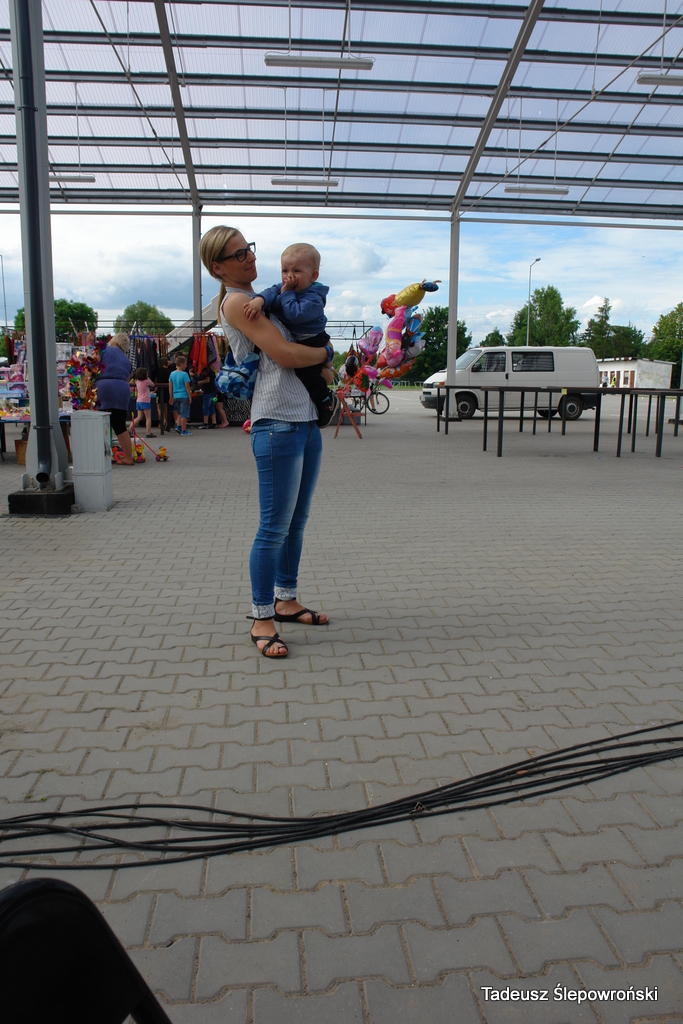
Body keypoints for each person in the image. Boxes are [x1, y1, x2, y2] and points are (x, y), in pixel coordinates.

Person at [200, 226, 334, 658]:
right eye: (239, 254)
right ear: (217, 267)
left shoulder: (263, 297)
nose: (251, 258)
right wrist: (327, 354)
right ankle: (262, 617)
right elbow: (287, 355)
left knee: (296, 521)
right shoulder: (236, 302)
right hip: (276, 421)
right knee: (274, 526)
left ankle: (286, 599)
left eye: (250, 249)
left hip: (303, 419)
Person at [243, 243, 338, 427]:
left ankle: (325, 400)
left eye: (297, 271)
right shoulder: (285, 287)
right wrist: (259, 301)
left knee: (306, 373)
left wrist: (286, 293)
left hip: (313, 339)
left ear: (313, 276)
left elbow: (296, 315)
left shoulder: (314, 298)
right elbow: (271, 291)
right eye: (285, 270)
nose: (289, 276)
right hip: (298, 338)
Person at [95, 332, 134, 465]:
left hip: (103, 389)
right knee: (120, 426)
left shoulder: (104, 349)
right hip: (122, 390)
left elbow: (93, 366)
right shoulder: (125, 359)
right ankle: (128, 457)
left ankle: (99, 456)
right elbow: (127, 377)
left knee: (99, 424)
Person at [169, 354, 192, 435]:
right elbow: (187, 386)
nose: (186, 366)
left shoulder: (172, 374)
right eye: (185, 364)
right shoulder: (184, 374)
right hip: (183, 395)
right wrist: (190, 397)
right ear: (182, 364)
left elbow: (170, 386)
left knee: (179, 412)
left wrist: (171, 396)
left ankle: (178, 426)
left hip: (175, 395)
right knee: (184, 414)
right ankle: (184, 430)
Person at [130, 367, 156, 438]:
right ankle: (148, 432)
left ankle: (129, 428)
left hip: (139, 400)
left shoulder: (137, 381)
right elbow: (153, 384)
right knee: (148, 418)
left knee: (139, 417)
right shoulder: (146, 381)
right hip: (145, 400)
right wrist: (148, 378)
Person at [196, 365, 220, 429]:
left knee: (206, 407)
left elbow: (207, 380)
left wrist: (200, 382)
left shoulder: (207, 371)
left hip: (208, 391)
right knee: (212, 407)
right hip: (213, 391)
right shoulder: (211, 370)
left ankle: (205, 423)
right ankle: (214, 423)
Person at [155, 356, 174, 430]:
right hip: (167, 390)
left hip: (159, 390)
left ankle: (162, 421)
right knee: (166, 407)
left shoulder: (157, 370)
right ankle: (167, 421)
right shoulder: (170, 371)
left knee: (159, 407)